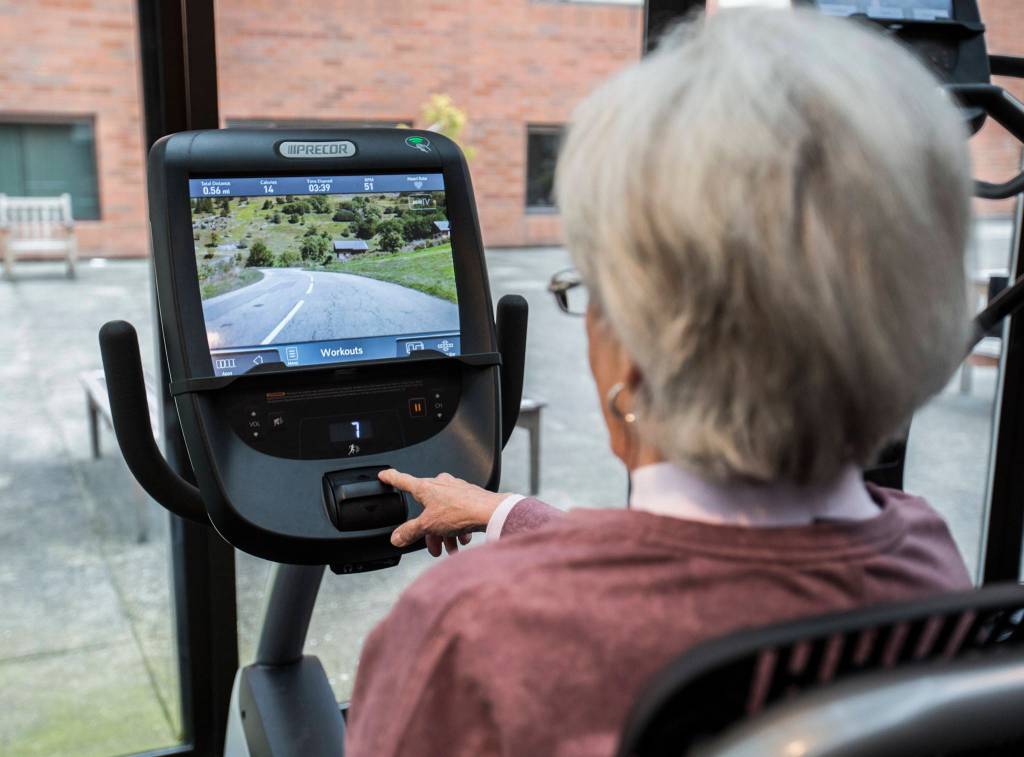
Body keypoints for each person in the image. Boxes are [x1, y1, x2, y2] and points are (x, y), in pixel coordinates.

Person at [346, 8, 974, 756]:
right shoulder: (928, 557)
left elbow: (654, 600)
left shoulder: (470, 633)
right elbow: (720, 576)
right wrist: (506, 514)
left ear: (635, 362)